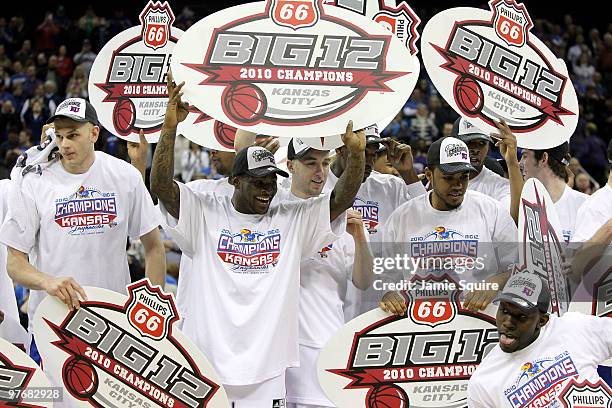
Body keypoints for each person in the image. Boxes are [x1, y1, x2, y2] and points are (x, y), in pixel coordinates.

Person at [151, 73, 365, 407]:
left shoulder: (290, 218)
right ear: (235, 181)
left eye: (271, 182)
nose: (267, 189)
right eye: (258, 182)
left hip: (267, 370)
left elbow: (339, 200)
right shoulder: (206, 207)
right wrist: (168, 129)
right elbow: (163, 187)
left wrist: (356, 155)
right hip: (206, 363)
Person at [0, 97, 165, 363]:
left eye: (73, 135)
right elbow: (15, 264)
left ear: (94, 133)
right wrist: (48, 281)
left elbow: (154, 248)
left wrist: (150, 309)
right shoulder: (33, 181)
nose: (65, 144)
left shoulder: (125, 176)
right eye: (60, 135)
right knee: (51, 404)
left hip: (112, 326)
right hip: (51, 325)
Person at [281, 138, 374, 408]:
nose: (320, 172)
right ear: (290, 166)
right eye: (310, 163)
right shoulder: (275, 210)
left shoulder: (344, 214)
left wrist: (359, 239)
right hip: (280, 348)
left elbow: (364, 281)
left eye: (325, 163)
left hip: (326, 343)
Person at [380, 137, 518, 314]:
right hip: (420, 322)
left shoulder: (492, 210)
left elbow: (518, 268)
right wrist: (388, 293)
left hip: (479, 322)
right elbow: (386, 276)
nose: (458, 185)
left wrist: (494, 283)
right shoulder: (401, 217)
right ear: (429, 174)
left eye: (464, 177)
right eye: (448, 178)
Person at [467, 272, 612, 408]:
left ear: (542, 320)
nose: (507, 323)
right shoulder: (483, 382)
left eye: (521, 317)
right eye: (504, 311)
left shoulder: (573, 328)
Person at [451, 117, 523, 223]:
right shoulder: (440, 177)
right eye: (469, 142)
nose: (476, 149)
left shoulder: (498, 185)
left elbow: (513, 220)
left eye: (482, 143)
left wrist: (512, 164)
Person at [520, 141, 588, 243]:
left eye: (525, 156)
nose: (519, 163)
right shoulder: (521, 206)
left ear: (543, 158)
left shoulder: (585, 206)